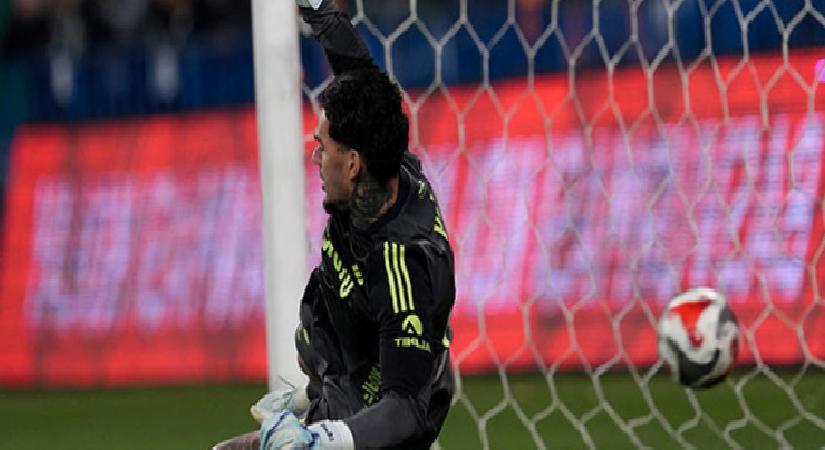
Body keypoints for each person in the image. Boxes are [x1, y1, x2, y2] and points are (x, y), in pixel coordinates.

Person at [213, 0, 455, 448]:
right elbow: (360, 73)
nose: (315, 158)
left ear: (353, 165)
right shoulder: (382, 155)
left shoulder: (404, 264)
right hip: (339, 380)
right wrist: (319, 8)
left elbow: (405, 409)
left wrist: (323, 440)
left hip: (364, 420)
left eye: (322, 147)